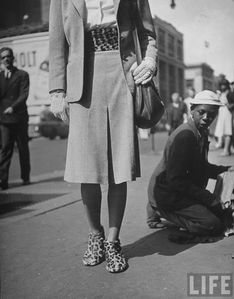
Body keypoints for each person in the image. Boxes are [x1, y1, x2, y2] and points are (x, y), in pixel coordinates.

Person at [49, 0, 157, 273]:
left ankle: (112, 241)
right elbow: (57, 42)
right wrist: (56, 91)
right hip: (82, 80)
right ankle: (95, 234)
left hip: (123, 75)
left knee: (118, 167)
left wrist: (151, 59)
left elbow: (147, 32)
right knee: (88, 169)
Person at [147, 90, 234, 242]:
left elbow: (202, 166)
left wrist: (226, 170)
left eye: (212, 114)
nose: (207, 118)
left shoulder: (201, 131)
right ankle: (160, 210)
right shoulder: (186, 136)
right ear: (191, 110)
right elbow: (175, 180)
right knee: (213, 224)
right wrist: (209, 198)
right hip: (168, 193)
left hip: (174, 189)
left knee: (220, 212)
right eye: (202, 112)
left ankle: (158, 207)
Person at [0, 47, 30, 190]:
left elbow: (24, 95)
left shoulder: (22, 75)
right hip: (4, 119)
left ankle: (26, 177)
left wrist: (13, 107)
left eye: (8, 56)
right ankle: (3, 181)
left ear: (13, 58)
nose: (6, 59)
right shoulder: (0, 76)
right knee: (5, 148)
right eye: (3, 57)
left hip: (19, 117)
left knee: (23, 148)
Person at [214, 79, 233, 156]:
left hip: (227, 112)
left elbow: (232, 103)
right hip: (222, 113)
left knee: (228, 131)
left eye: (224, 85)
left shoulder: (229, 93)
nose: (223, 86)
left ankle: (226, 150)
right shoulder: (221, 93)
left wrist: (227, 104)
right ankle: (227, 149)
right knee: (224, 131)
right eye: (221, 85)